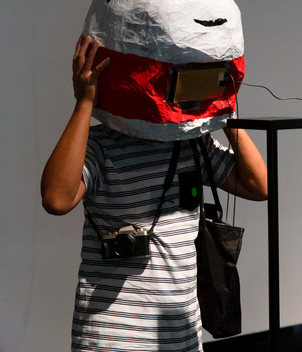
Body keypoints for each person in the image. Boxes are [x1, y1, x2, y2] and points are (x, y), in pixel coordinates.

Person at [41, 35, 267, 351]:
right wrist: (85, 101)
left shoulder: (191, 143)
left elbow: (259, 187)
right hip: (111, 339)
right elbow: (56, 198)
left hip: (181, 337)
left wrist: (224, 111)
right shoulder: (101, 146)